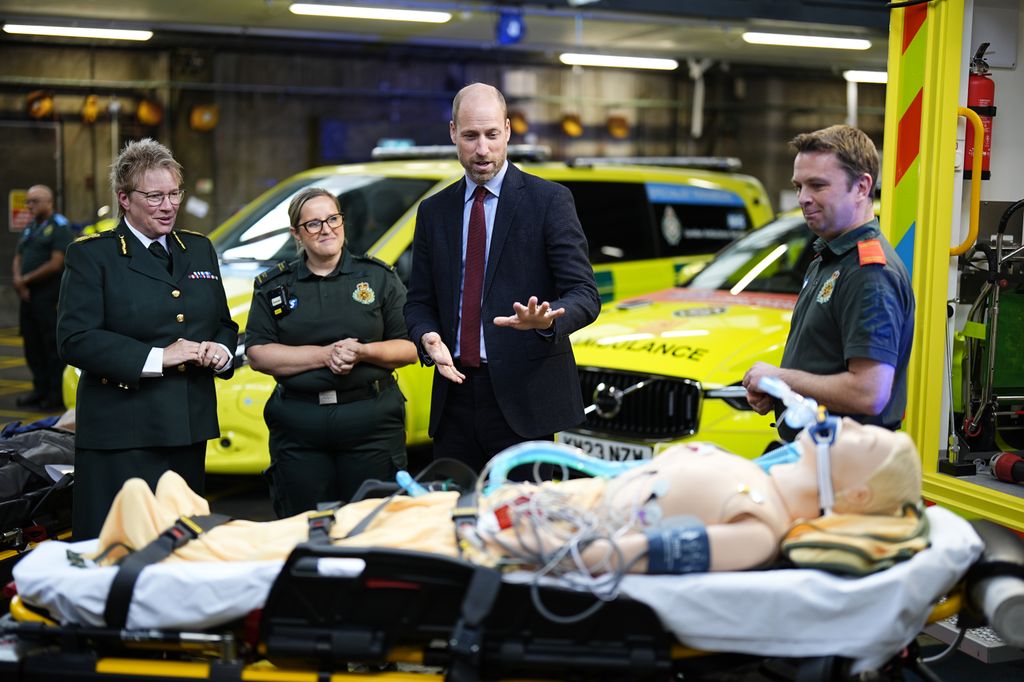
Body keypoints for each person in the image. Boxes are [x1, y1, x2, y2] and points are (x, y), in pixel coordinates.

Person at [92, 418, 922, 577]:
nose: (847, 426)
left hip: (493, 546)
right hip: (489, 518)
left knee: (332, 546)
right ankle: (186, 524)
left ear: (850, 490)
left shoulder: (757, 526)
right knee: (340, 520)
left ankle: (179, 545)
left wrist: (527, 538)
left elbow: (616, 561)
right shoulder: (753, 479)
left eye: (866, 438)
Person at [404, 82, 601, 472]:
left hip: (525, 401)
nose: (482, 149)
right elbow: (419, 301)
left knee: (523, 525)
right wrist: (427, 338)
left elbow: (584, 294)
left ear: (508, 131)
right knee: (456, 518)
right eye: (471, 136)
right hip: (454, 397)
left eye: (492, 135)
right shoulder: (434, 211)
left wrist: (548, 320)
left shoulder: (549, 201)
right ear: (452, 133)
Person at [56, 138, 237, 539]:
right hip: (122, 435)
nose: (169, 205)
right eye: (155, 196)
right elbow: (75, 339)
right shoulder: (93, 256)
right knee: (117, 550)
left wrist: (221, 351)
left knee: (181, 548)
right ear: (124, 198)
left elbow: (222, 323)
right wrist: (159, 357)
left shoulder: (199, 249)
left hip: (188, 429)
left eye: (174, 193)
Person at [245, 188, 417, 518]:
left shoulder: (378, 277)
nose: (326, 229)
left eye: (333, 219)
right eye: (313, 224)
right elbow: (258, 354)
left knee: (372, 524)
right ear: (296, 233)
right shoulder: (274, 286)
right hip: (299, 426)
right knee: (302, 525)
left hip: (371, 423)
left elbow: (409, 347)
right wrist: (325, 355)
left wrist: (363, 351)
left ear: (343, 221)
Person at [742, 125, 915, 442]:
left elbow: (869, 393)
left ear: (862, 187)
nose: (803, 198)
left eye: (817, 185)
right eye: (799, 186)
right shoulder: (831, 257)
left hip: (846, 467)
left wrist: (783, 378)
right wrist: (777, 389)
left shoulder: (870, 273)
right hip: (821, 456)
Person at [12, 185, 74, 410]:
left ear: (49, 202)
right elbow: (19, 255)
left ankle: (54, 395)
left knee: (50, 346)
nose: (30, 206)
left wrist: (25, 280)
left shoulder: (59, 227)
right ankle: (39, 390)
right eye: (28, 201)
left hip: (48, 296)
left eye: (35, 201)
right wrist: (19, 280)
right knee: (32, 345)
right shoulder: (30, 227)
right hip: (28, 296)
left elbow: (56, 263)